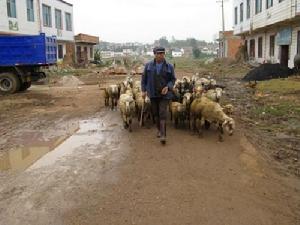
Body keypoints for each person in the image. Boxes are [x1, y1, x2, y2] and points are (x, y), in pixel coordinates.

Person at [141, 47, 176, 145]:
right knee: (155, 114)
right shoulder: (148, 66)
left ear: (164, 54)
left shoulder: (169, 66)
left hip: (164, 94)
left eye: (162, 53)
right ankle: (159, 130)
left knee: (162, 113)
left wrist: (168, 87)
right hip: (152, 93)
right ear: (154, 54)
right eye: (158, 53)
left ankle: (163, 135)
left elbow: (173, 79)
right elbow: (144, 80)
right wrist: (143, 91)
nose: (160, 55)